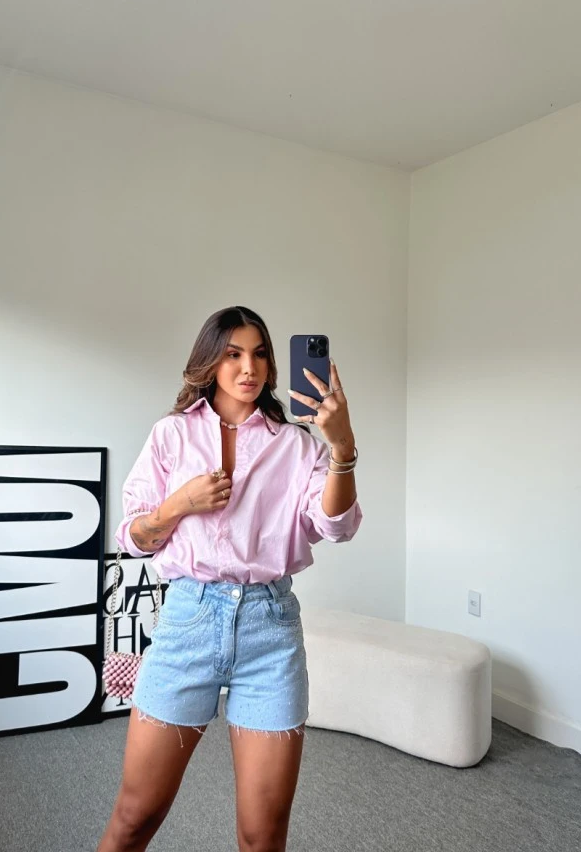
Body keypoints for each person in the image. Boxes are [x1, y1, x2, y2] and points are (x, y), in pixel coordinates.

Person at [97, 306, 362, 852]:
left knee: (262, 836)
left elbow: (335, 527)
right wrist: (179, 504)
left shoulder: (297, 444)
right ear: (209, 361)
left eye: (260, 354)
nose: (249, 367)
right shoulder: (171, 435)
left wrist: (342, 448)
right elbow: (135, 537)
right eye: (233, 354)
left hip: (270, 631)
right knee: (134, 817)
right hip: (188, 622)